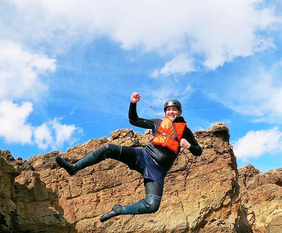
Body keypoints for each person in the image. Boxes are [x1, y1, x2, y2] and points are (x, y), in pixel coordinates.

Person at [55, 92, 203, 222]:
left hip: (158, 170)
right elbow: (133, 120)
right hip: (144, 156)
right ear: (165, 111)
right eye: (169, 109)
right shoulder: (157, 122)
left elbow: (198, 151)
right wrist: (133, 103)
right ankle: (74, 167)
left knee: (152, 205)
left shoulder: (186, 131)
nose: (171, 112)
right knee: (108, 148)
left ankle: (119, 210)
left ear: (179, 111)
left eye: (174, 109)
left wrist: (189, 146)